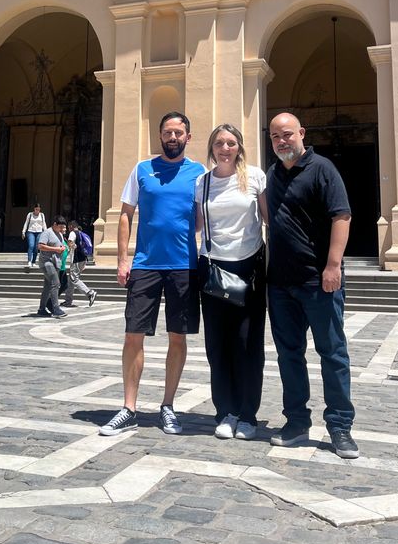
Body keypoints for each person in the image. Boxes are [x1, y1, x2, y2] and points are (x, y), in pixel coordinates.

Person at [99, 112, 204, 436]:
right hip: (144, 265)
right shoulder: (142, 170)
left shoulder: (199, 173)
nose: (173, 137)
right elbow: (126, 215)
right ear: (160, 136)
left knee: (178, 336)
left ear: (188, 137)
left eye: (179, 133)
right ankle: (129, 407)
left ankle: (168, 406)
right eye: (168, 132)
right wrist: (122, 259)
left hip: (184, 265)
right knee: (133, 335)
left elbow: (202, 217)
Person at [266, 112, 358, 459]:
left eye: (287, 134)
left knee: (332, 354)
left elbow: (342, 215)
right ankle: (296, 422)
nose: (281, 141)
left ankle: (339, 426)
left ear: (301, 133)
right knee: (289, 356)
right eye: (275, 136)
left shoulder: (323, 169)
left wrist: (333, 265)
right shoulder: (273, 175)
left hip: (319, 282)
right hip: (280, 285)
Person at [195, 124, 267, 441]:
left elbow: (270, 219)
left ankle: (248, 414)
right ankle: (225, 411)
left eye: (231, 143)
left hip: (250, 266)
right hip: (213, 267)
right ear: (212, 148)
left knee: (248, 343)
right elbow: (195, 223)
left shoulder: (255, 177)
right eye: (220, 143)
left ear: (239, 147)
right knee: (217, 345)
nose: (225, 148)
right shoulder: (203, 182)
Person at [36, 216, 67, 319]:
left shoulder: (60, 234)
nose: (62, 229)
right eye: (60, 227)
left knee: (48, 286)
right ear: (54, 224)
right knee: (56, 283)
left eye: (63, 227)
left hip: (55, 263)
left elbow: (60, 246)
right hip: (46, 262)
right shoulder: (47, 232)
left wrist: (63, 248)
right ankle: (55, 309)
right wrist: (56, 249)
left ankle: (41, 309)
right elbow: (40, 246)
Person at [64, 221, 97, 308]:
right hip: (82, 259)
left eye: (68, 227)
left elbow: (71, 242)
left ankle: (89, 293)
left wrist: (69, 244)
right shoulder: (81, 233)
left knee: (74, 279)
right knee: (70, 281)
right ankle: (68, 301)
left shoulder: (72, 233)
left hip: (76, 260)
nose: (67, 229)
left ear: (71, 226)